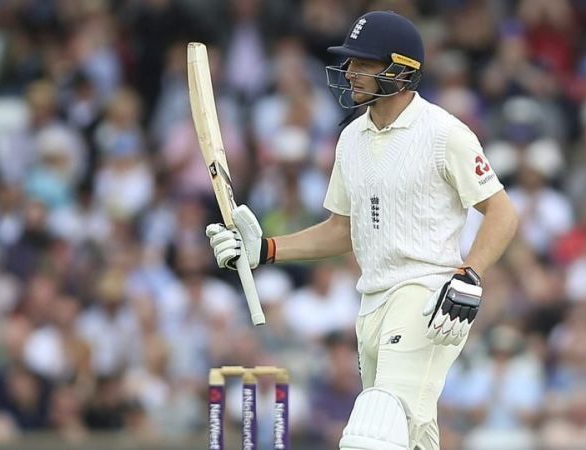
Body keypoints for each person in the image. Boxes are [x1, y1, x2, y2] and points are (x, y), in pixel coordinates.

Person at [206, 10, 517, 450]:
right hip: (371, 302)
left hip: (426, 298)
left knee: (371, 434)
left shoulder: (445, 133)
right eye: (350, 62)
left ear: (399, 70)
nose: (350, 72)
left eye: (363, 63)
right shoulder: (351, 138)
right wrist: (267, 249)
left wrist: (469, 274)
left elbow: (502, 212)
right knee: (408, 436)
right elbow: (341, 229)